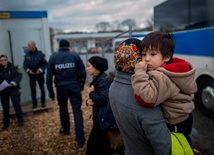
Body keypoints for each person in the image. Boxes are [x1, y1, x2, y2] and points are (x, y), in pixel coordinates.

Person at [131, 32, 197, 145]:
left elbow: (147, 99)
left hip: (174, 123)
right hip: (183, 118)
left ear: (166, 57)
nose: (146, 59)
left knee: (175, 146)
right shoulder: (172, 70)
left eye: (152, 54)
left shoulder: (163, 77)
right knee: (184, 140)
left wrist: (140, 72)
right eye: (143, 54)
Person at [109, 38, 171, 155]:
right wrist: (190, 136)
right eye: (144, 55)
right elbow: (164, 146)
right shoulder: (142, 96)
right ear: (138, 61)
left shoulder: (113, 86)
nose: (148, 59)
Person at [46, 39, 86, 147]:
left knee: (63, 109)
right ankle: (80, 139)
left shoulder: (53, 57)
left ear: (59, 46)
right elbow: (83, 72)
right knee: (77, 111)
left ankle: (66, 129)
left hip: (61, 87)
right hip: (74, 86)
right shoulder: (75, 56)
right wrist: (81, 85)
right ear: (68, 46)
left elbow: (49, 76)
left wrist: (51, 92)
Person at [85, 56, 116, 155]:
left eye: (89, 66)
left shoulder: (102, 80)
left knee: (94, 146)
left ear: (96, 67)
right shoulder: (99, 78)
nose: (87, 68)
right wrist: (89, 101)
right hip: (100, 119)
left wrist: (91, 93)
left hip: (103, 120)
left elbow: (104, 99)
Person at [0, 55, 24, 129]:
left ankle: (20, 121)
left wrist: (13, 83)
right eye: (1, 60)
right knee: (5, 107)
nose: (3, 62)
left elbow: (19, 76)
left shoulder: (13, 67)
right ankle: (6, 123)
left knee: (16, 105)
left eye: (5, 60)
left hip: (13, 89)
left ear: (7, 60)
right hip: (3, 90)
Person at [23, 41, 47, 110]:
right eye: (28, 46)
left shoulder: (40, 54)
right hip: (32, 75)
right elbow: (25, 65)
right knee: (33, 90)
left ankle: (43, 102)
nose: (28, 47)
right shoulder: (27, 55)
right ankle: (34, 104)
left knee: (42, 89)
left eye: (30, 46)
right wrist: (28, 70)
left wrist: (40, 70)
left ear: (34, 46)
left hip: (39, 74)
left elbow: (45, 63)